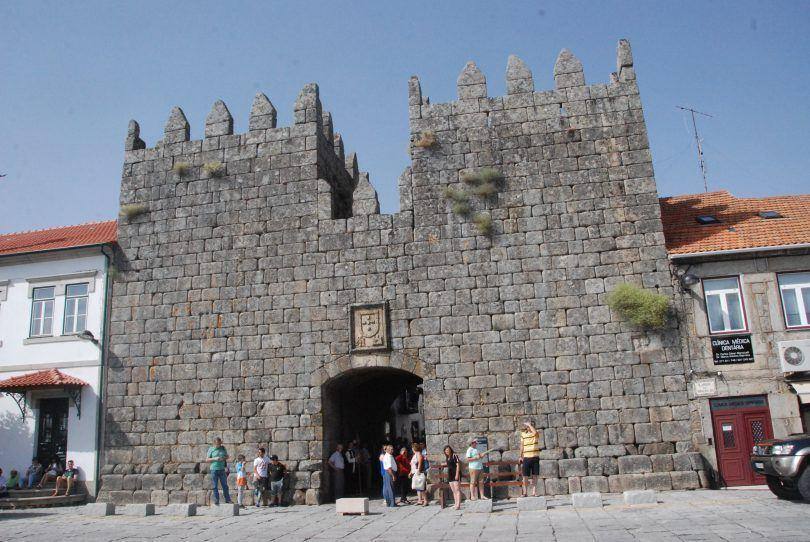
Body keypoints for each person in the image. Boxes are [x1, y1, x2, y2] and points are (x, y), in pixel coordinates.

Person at [205, 437, 232, 505]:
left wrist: (223, 458)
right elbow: (207, 459)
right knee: (215, 486)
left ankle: (228, 499)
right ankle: (216, 500)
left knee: (225, 485)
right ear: (214, 443)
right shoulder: (211, 449)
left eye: (220, 443)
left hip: (222, 469)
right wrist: (215, 458)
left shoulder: (223, 448)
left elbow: (227, 456)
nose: (219, 445)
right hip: (214, 469)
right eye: (217, 444)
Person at [519, 420, 542, 497]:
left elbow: (535, 433)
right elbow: (522, 445)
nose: (529, 427)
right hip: (526, 457)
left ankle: (534, 492)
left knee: (535, 475)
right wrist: (520, 456)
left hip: (535, 457)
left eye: (531, 425)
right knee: (525, 476)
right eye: (528, 425)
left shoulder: (536, 433)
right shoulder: (523, 434)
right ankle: (525, 492)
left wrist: (530, 425)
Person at [444, 446, 462, 510]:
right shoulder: (447, 457)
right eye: (446, 450)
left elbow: (458, 465)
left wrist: (457, 474)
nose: (447, 451)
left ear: (450, 450)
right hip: (450, 474)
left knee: (457, 490)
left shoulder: (454, 456)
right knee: (453, 490)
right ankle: (456, 504)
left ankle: (458, 505)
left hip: (455, 473)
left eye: (448, 450)